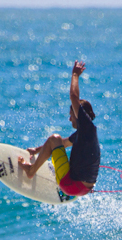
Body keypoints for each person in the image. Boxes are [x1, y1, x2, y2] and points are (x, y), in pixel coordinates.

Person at [18, 60, 100, 197]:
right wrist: (36, 150)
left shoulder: (85, 125)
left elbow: (74, 97)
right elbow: (63, 143)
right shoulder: (86, 133)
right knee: (57, 141)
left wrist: (75, 74)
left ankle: (31, 171)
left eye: (71, 116)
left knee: (53, 138)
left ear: (78, 115)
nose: (70, 119)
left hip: (72, 186)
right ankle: (57, 178)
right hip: (85, 189)